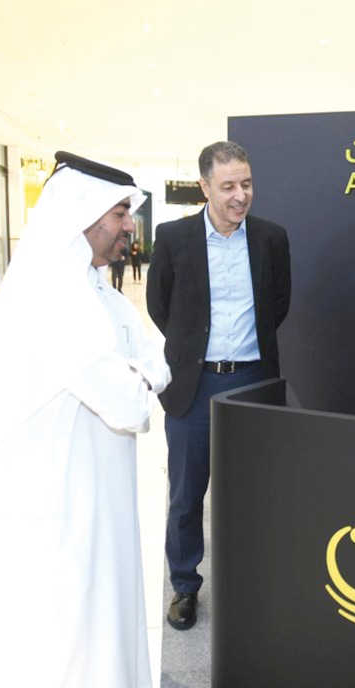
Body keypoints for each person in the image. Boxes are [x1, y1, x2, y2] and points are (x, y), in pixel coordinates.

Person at [0, 151, 169, 688]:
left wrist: (138, 378)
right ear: (83, 213)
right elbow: (124, 397)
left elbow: (150, 357)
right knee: (70, 625)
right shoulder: (51, 291)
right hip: (56, 494)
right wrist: (136, 383)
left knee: (106, 608)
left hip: (95, 483)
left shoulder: (88, 284)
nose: (127, 229)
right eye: (119, 213)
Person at [146, 140, 291, 631]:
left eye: (246, 183)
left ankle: (252, 582)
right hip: (194, 385)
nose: (240, 195)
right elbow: (159, 307)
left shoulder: (272, 239)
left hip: (254, 382)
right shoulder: (173, 237)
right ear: (204, 186)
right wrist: (192, 353)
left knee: (256, 492)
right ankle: (185, 587)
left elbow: (279, 305)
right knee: (187, 494)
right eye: (228, 186)